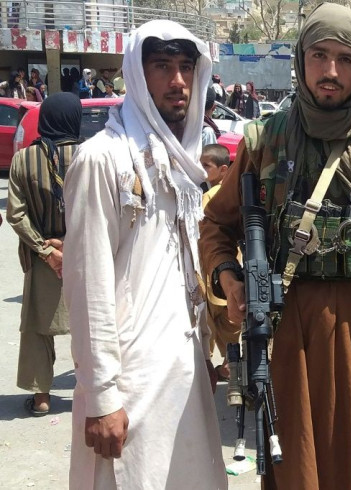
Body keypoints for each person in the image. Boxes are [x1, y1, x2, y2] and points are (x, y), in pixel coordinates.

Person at [199, 4, 351, 488]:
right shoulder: (265, 140)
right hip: (286, 330)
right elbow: (216, 226)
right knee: (294, 463)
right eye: (319, 55)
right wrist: (231, 278)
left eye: (345, 59)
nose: (330, 72)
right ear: (300, 60)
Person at [62, 20, 227, 488]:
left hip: (183, 372)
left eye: (185, 67)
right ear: (137, 74)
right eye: (162, 67)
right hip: (129, 385)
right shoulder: (103, 159)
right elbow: (87, 283)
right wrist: (101, 397)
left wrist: (204, 356)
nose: (178, 81)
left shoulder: (182, 163)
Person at [6, 93, 81, 417]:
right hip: (86, 257)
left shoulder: (23, 160)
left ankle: (42, 398)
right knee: (93, 327)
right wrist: (73, 244)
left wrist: (46, 248)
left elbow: (16, 215)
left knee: (38, 328)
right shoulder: (89, 156)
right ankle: (97, 395)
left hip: (42, 260)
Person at [198, 143, 238, 380]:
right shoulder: (215, 194)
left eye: (207, 166)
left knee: (226, 324)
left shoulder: (213, 197)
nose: (201, 170)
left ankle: (231, 366)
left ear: (224, 170)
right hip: (222, 270)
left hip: (219, 273)